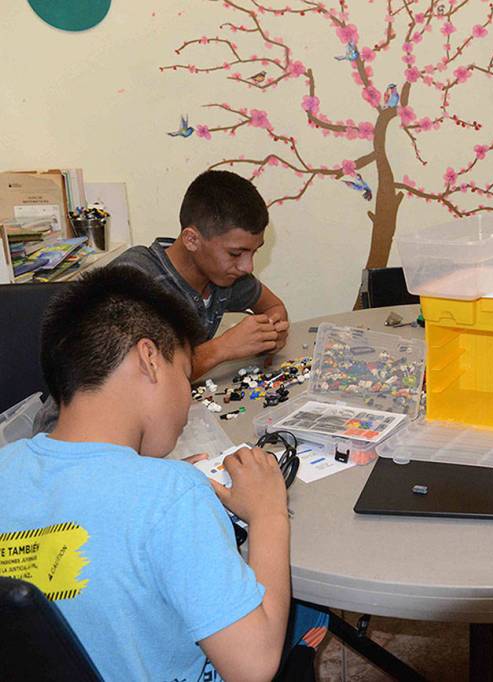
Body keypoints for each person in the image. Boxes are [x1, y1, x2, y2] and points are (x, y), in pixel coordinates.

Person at [0, 266, 291, 680]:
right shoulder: (173, 494)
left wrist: (151, 484)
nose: (187, 398)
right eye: (185, 375)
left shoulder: (6, 465)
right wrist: (268, 514)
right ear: (150, 359)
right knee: (305, 617)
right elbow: (254, 667)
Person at [114, 169, 290, 379]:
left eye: (254, 251)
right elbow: (135, 378)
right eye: (235, 253)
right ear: (192, 240)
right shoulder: (132, 279)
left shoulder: (224, 275)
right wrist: (222, 348)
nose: (247, 267)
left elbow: (273, 307)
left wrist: (269, 336)